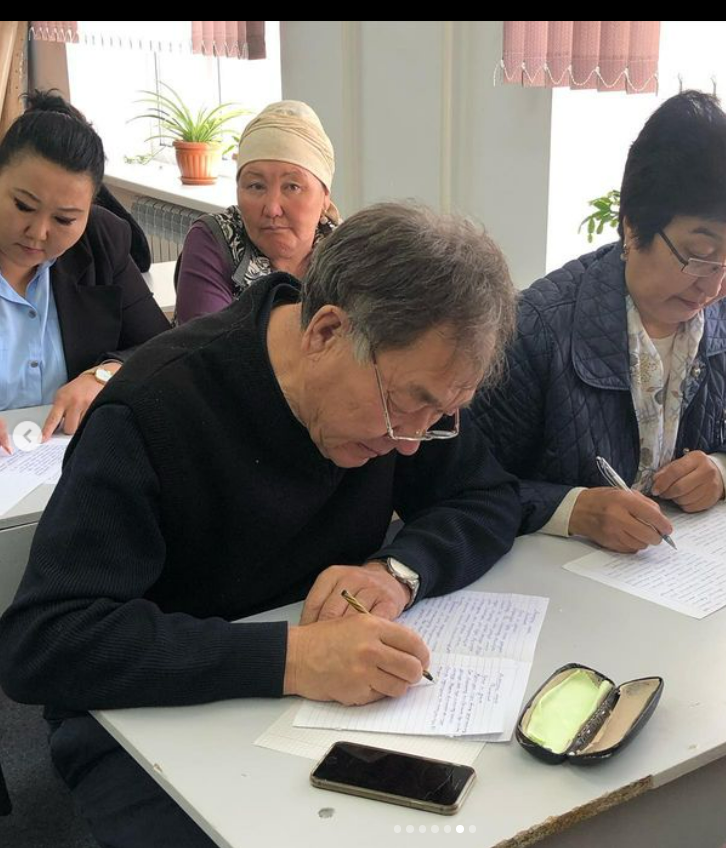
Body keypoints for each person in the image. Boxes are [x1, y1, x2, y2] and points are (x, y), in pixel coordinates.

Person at [0, 202, 520, 847]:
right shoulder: (154, 408)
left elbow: (487, 497)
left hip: (316, 706)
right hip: (144, 716)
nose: (412, 443)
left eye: (442, 414)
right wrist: (293, 658)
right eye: (405, 407)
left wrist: (397, 571)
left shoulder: (409, 384)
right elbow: (46, 641)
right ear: (325, 332)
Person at [470, 91, 726, 554]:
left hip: (686, 569)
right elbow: (460, 482)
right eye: (700, 254)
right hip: (557, 574)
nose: (716, 284)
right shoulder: (537, 328)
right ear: (633, 228)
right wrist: (574, 509)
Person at [0, 91, 169, 453]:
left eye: (64, 219)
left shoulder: (100, 240)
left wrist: (103, 375)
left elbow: (163, 346)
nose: (38, 233)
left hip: (68, 458)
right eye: (23, 206)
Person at [174, 99, 340, 324]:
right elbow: (207, 343)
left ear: (325, 197)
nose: (272, 209)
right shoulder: (216, 238)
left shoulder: (349, 250)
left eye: (292, 187)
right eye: (256, 186)